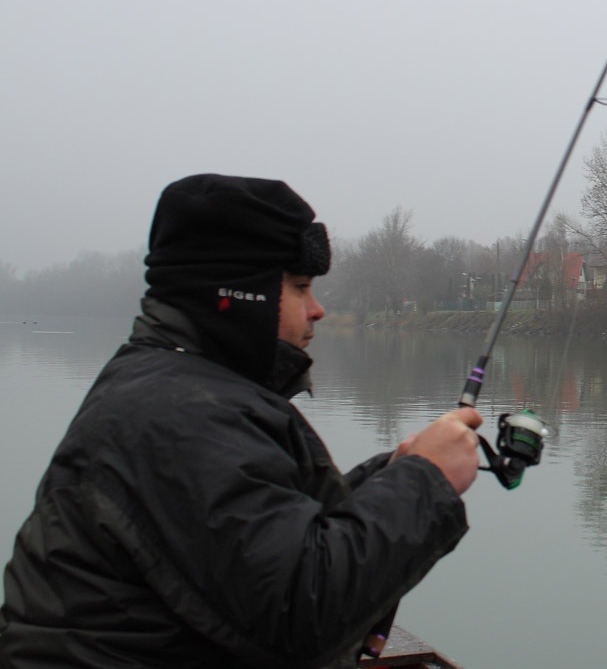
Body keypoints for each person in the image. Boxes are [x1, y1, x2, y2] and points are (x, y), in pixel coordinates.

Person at [0, 174, 482, 668]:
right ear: (237, 296)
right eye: (299, 287)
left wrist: (393, 476)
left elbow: (256, 540)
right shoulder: (178, 415)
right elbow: (300, 611)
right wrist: (426, 483)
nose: (318, 310)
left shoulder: (178, 389)